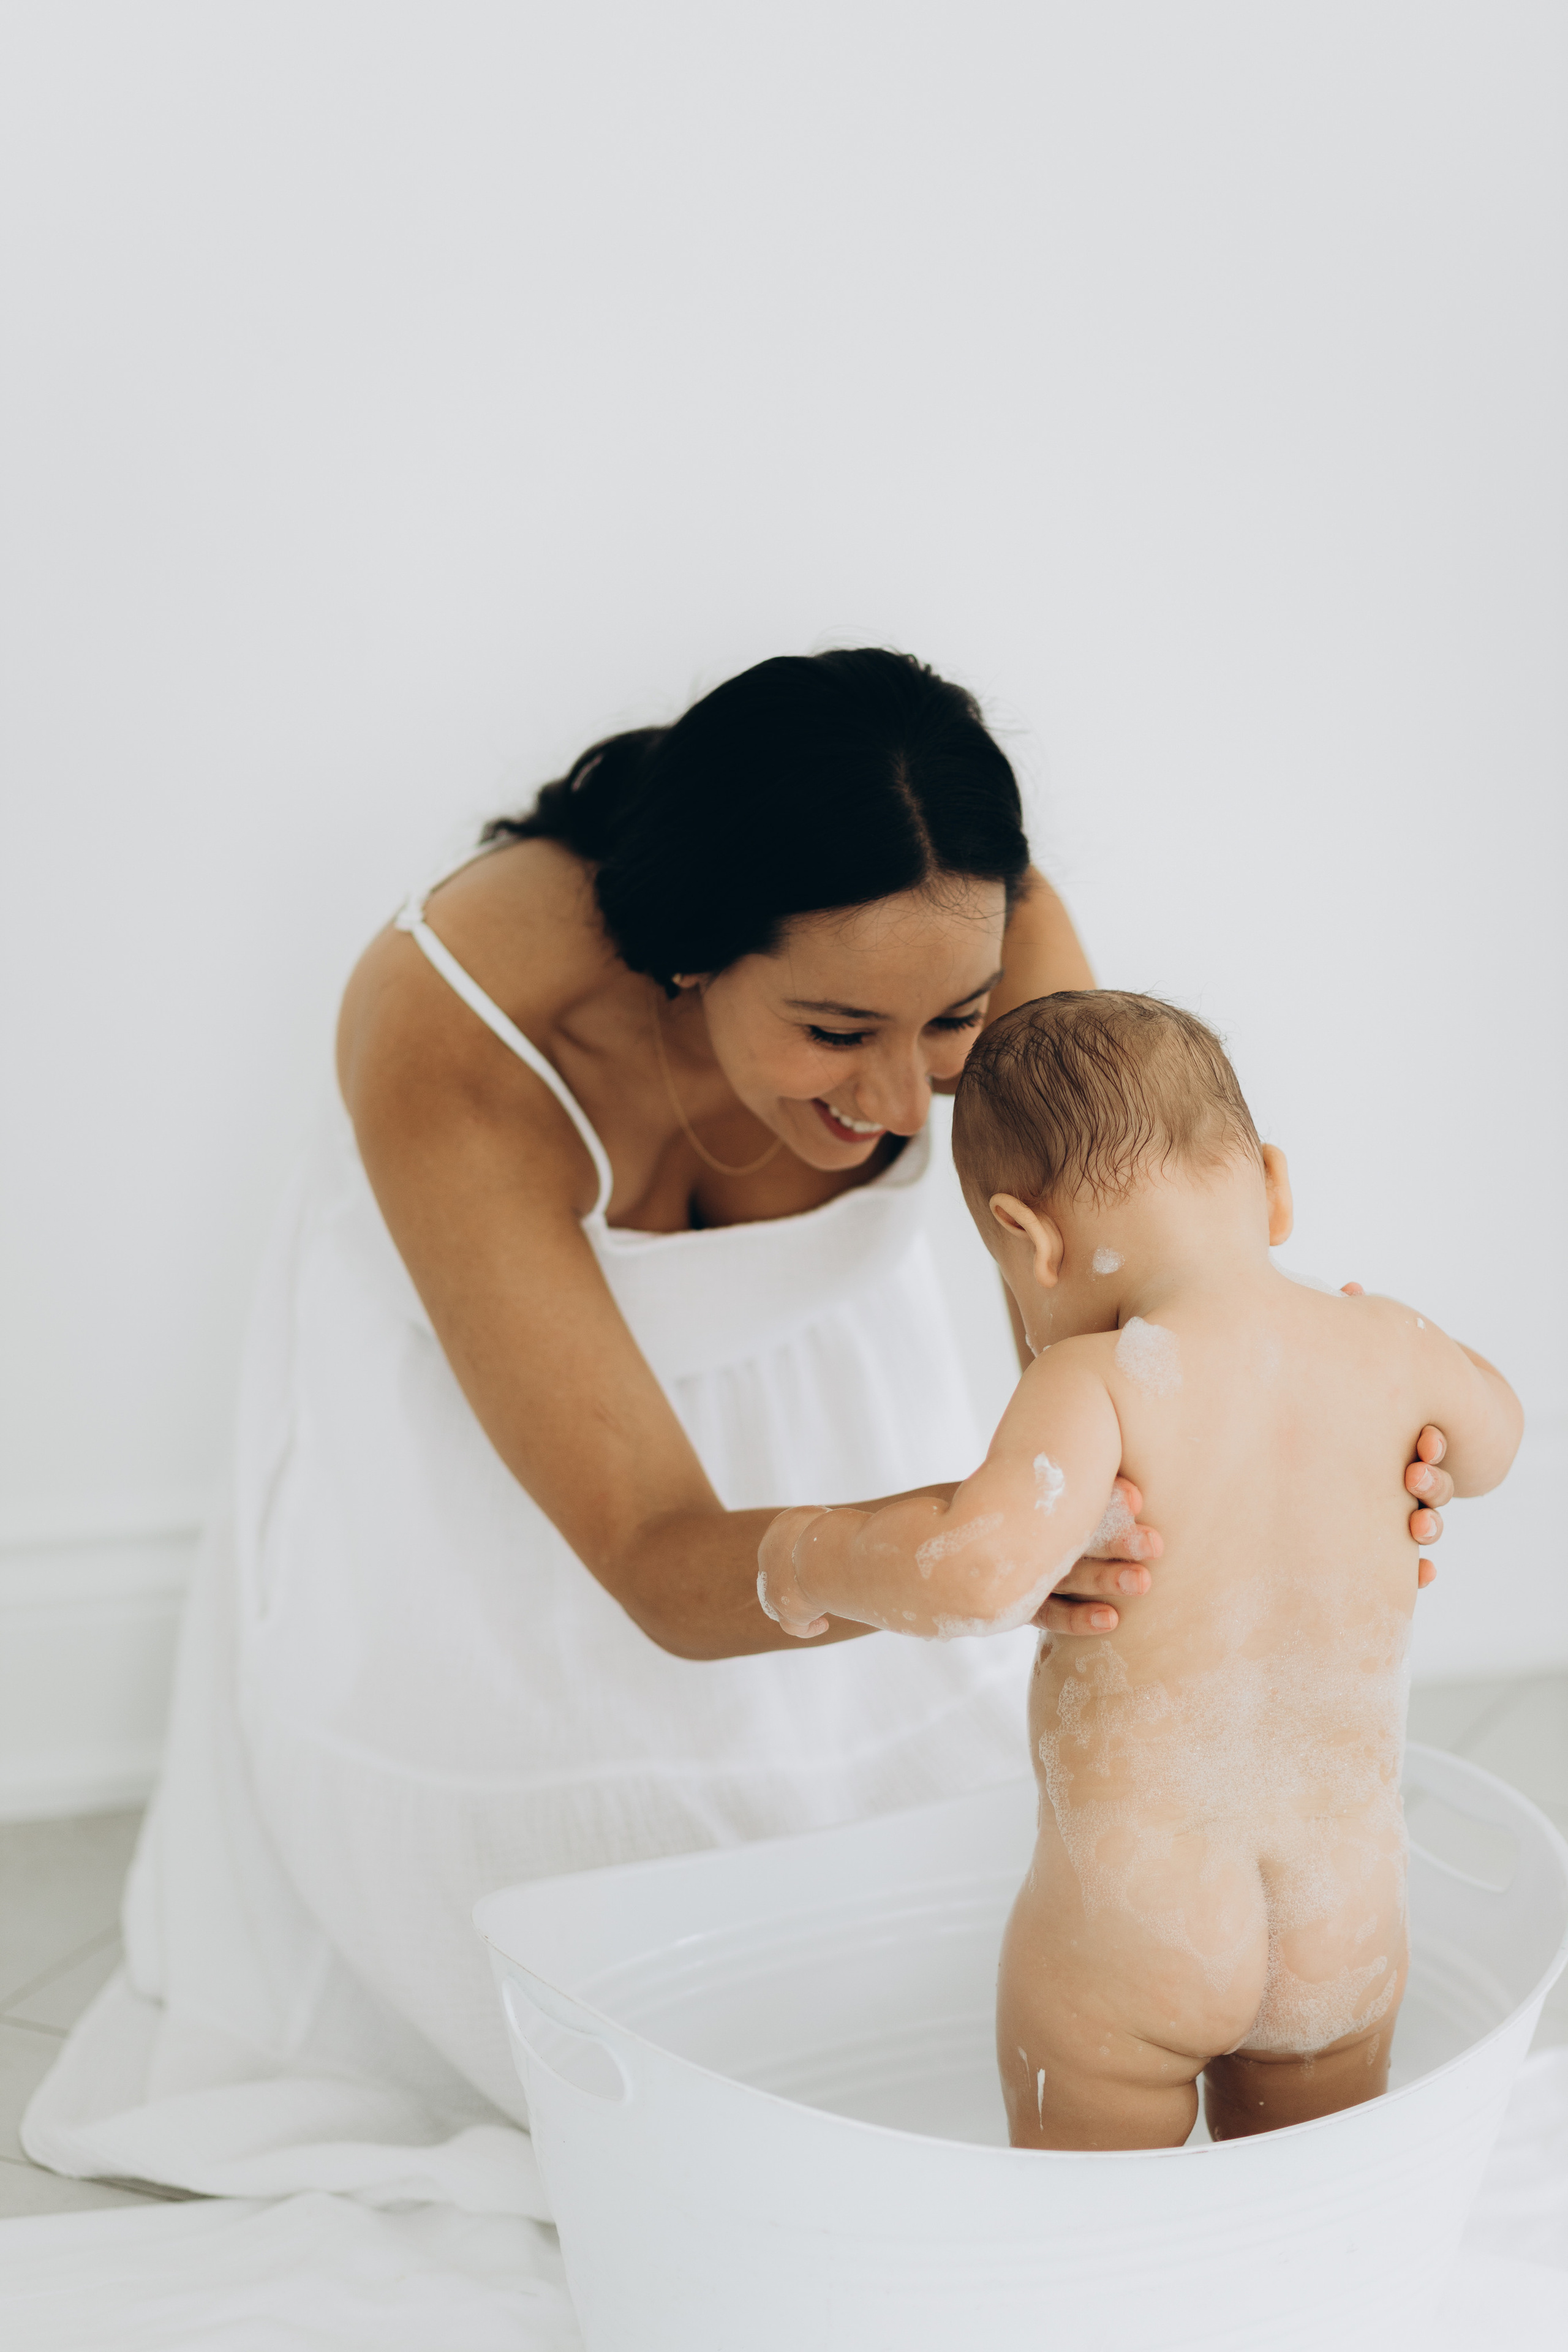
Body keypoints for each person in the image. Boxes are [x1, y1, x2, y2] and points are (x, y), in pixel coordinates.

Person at [24, 652, 1451, 2201]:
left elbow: (1154, 1329)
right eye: (836, 1032)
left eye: (951, 1027)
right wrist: (923, 1565)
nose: (910, 1104)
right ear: (691, 962)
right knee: (575, 1999)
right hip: (522, 1474)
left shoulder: (990, 935)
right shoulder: (461, 1037)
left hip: (820, 1427)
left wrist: (1316, 1454)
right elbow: (651, 1555)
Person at [757, 991, 1518, 2150]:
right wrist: (1424, 1437)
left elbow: (976, 1576)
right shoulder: (1391, 1346)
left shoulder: (1101, 1379)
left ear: (1030, 1239)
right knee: (1302, 2223)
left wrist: (810, 1558)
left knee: (1096, 2249)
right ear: (1271, 1186)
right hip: (1346, 1921)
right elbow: (1498, 1439)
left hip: (1141, 1933)